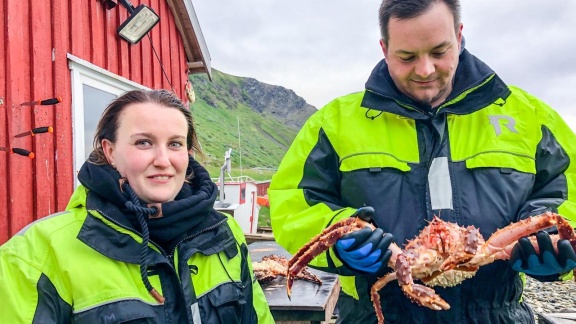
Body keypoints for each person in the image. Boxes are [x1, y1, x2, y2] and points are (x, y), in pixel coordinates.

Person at [269, 0, 576, 323]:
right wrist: (342, 236)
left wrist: (551, 241)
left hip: (498, 312)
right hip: (379, 314)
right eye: (407, 57)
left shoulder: (528, 117)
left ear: (459, 36)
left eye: (439, 51)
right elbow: (293, 202)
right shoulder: (334, 124)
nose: (425, 69)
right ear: (384, 49)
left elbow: (566, 188)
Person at [0, 89, 274, 323]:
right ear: (110, 152)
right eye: (144, 142)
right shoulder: (36, 255)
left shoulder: (225, 234)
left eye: (175, 144)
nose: (163, 160)